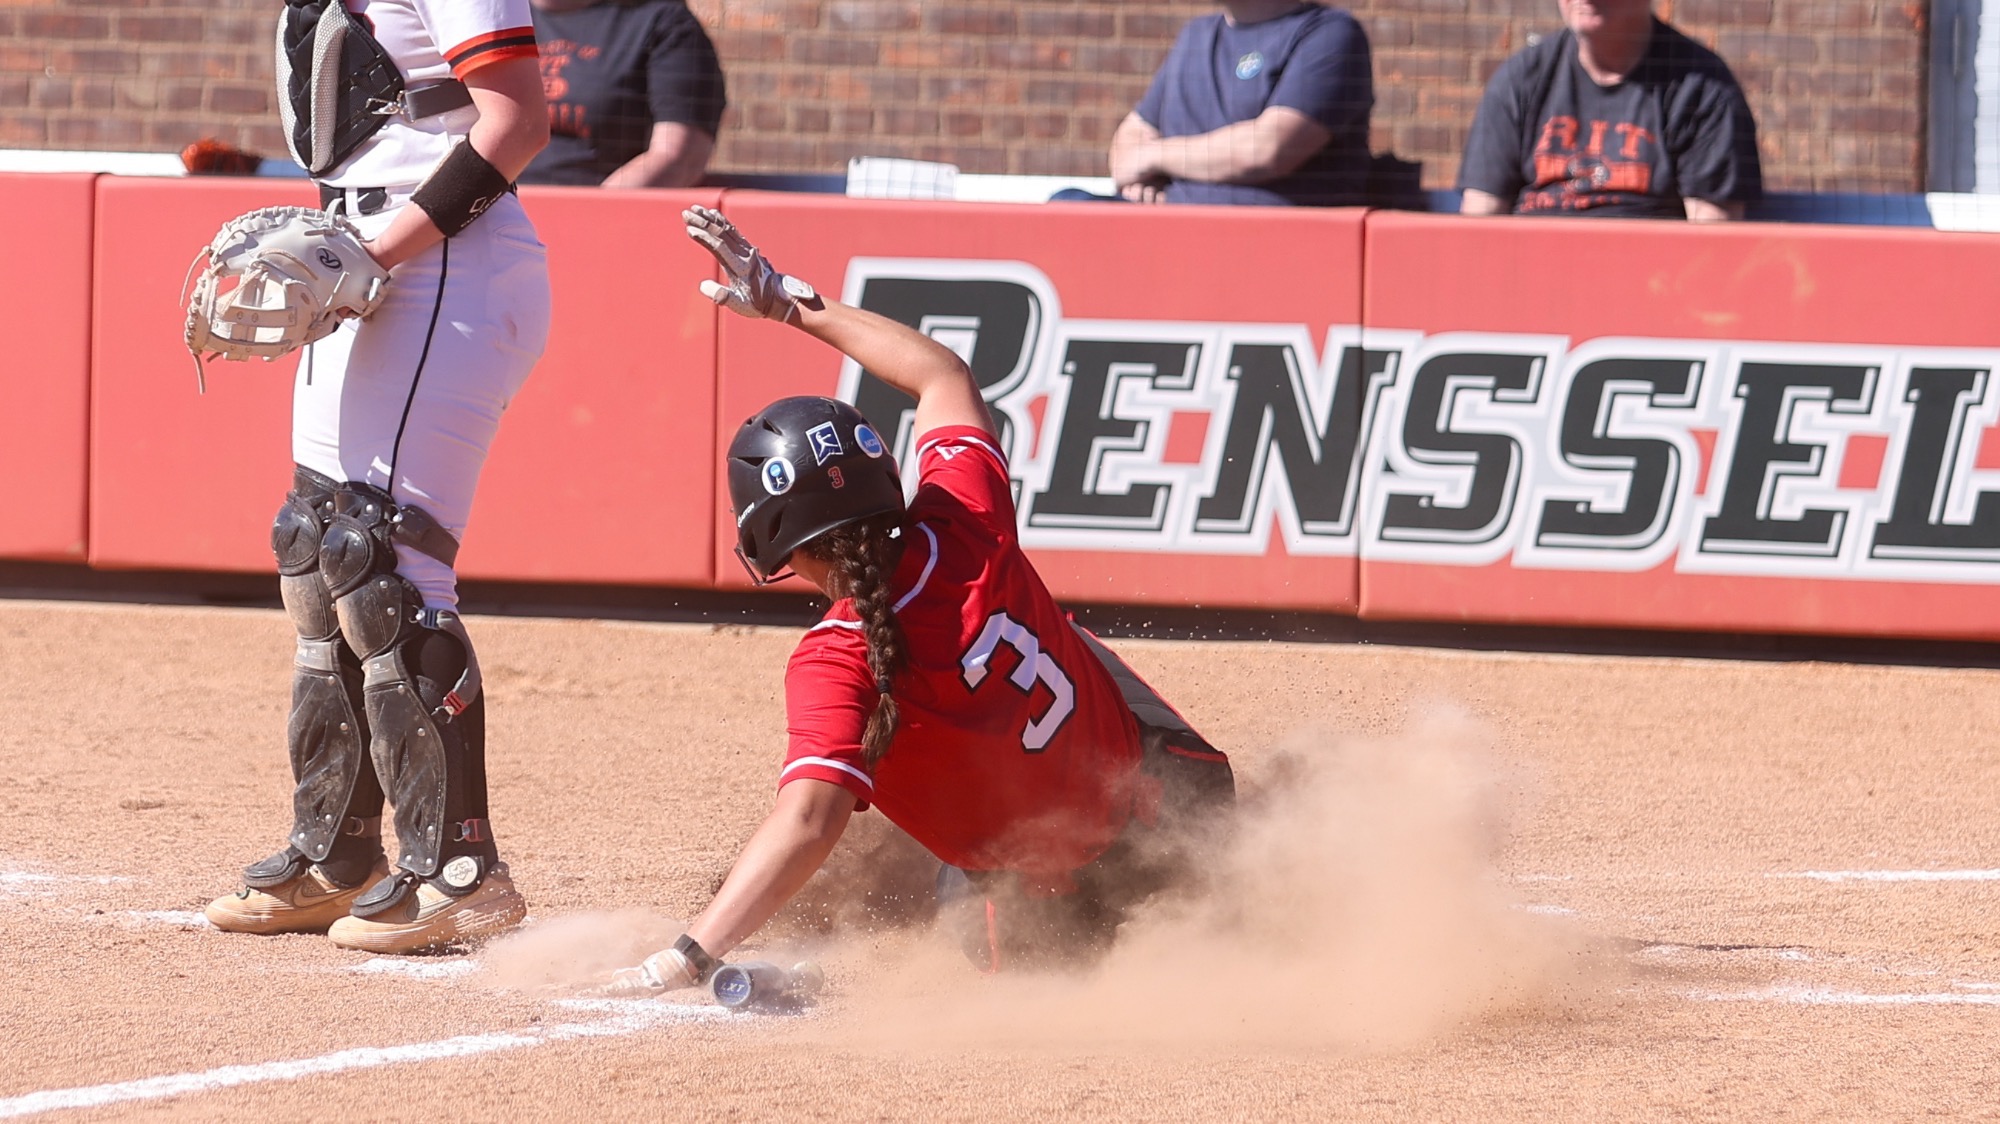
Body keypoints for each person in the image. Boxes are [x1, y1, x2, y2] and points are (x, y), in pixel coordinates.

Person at [597, 208, 1236, 994]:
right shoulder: (964, 520)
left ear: (778, 542)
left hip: (1062, 918)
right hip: (1183, 808)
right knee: (1071, 645)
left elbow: (810, 820)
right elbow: (941, 374)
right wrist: (792, 305)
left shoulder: (835, 657)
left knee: (957, 873)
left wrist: (688, 953)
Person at [203, 0, 553, 954]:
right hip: (358, 262)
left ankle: (460, 871)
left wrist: (370, 253)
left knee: (382, 561)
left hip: (444, 264)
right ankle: (338, 856)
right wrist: (345, 257)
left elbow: (517, 118)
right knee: (317, 554)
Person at [1458, 0, 1762, 220]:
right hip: (1532, 285)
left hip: (1648, 289)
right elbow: (1480, 220)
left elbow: (1712, 238)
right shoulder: (1520, 80)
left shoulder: (1702, 88)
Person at [1104, 0, 1373, 207]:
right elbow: (1129, 142)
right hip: (1173, 226)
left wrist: (1153, 158)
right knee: (1068, 200)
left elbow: (1267, 149)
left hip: (1268, 240)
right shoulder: (1195, 36)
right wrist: (1145, 173)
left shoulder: (1329, 34)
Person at [519, 0, 726, 188]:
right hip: (497, 208)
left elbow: (678, 157)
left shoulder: (664, 22)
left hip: (599, 210)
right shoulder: (499, 17)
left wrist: (592, 215)